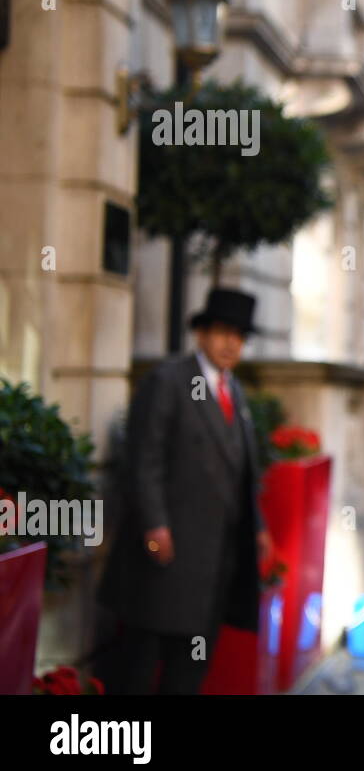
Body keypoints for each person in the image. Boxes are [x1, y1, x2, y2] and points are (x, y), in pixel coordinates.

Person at [97, 287, 272, 693]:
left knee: (190, 668)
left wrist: (258, 527)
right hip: (165, 558)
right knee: (140, 665)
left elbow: (245, 470)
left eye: (240, 336)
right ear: (202, 334)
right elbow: (144, 459)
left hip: (215, 564)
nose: (232, 343)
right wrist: (155, 527)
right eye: (224, 332)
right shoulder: (168, 380)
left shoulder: (236, 392)